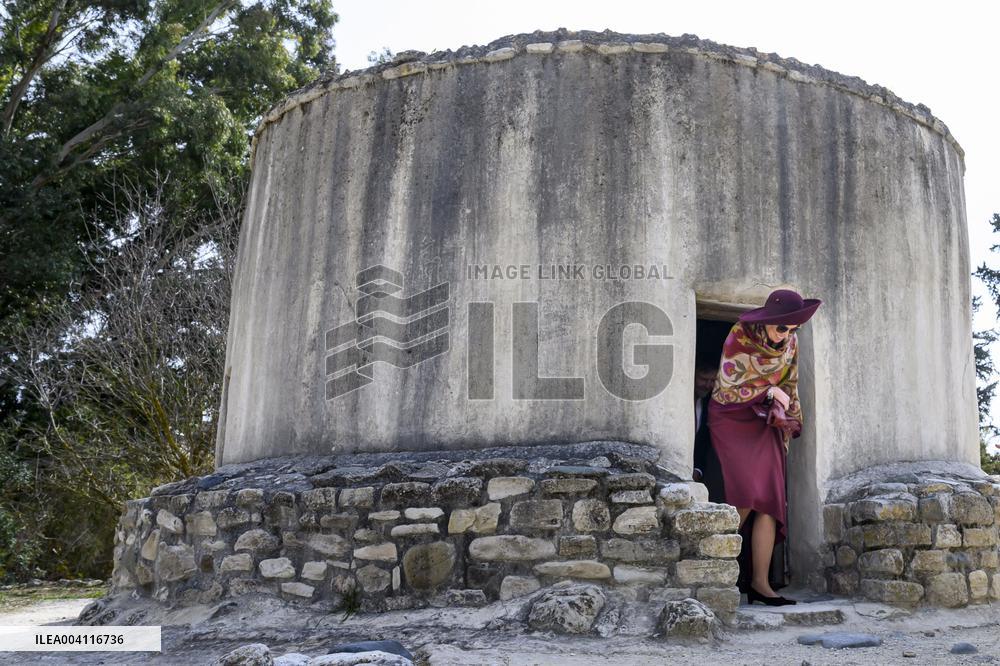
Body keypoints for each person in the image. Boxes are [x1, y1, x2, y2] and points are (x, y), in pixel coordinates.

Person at [707, 289, 821, 606]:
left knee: (770, 499)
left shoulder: (791, 343)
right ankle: (711, 561)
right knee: (745, 492)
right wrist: (770, 388)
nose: (787, 334)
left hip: (766, 420)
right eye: (782, 327)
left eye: (793, 328)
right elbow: (729, 382)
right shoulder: (739, 335)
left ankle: (760, 584)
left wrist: (788, 414)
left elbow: (790, 383)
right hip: (731, 416)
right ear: (769, 320)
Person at [692, 362, 726, 504]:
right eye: (703, 379)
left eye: (712, 381)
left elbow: (704, 443)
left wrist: (698, 470)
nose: (708, 385)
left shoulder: (710, 405)